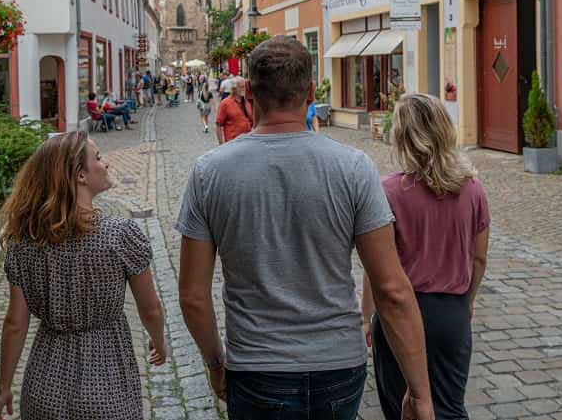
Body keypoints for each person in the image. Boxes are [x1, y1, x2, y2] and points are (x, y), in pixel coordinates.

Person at [176, 37, 433, 420]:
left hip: (256, 366)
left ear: (249, 93)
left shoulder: (210, 172)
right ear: (311, 92)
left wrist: (215, 363)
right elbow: (392, 290)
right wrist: (419, 392)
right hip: (337, 364)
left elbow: (193, 296)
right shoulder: (353, 168)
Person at [0, 131, 168, 420]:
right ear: (80, 176)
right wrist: (158, 341)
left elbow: (15, 322)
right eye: (98, 158)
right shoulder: (121, 235)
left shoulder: (24, 242)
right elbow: (149, 308)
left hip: (43, 387)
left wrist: (4, 387)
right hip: (108, 382)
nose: (106, 163)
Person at [362, 93, 489, 420]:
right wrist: (467, 300)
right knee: (449, 407)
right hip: (451, 313)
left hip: (400, 312)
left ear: (401, 135)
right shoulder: (472, 188)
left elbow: (376, 268)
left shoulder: (387, 191)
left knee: (401, 409)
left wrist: (366, 315)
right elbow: (479, 259)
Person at [214, 77, 252, 144]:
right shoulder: (225, 103)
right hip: (233, 143)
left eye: (245, 87)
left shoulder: (248, 102)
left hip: (248, 142)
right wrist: (221, 144)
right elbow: (218, 125)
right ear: (234, 89)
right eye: (241, 87)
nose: (244, 89)